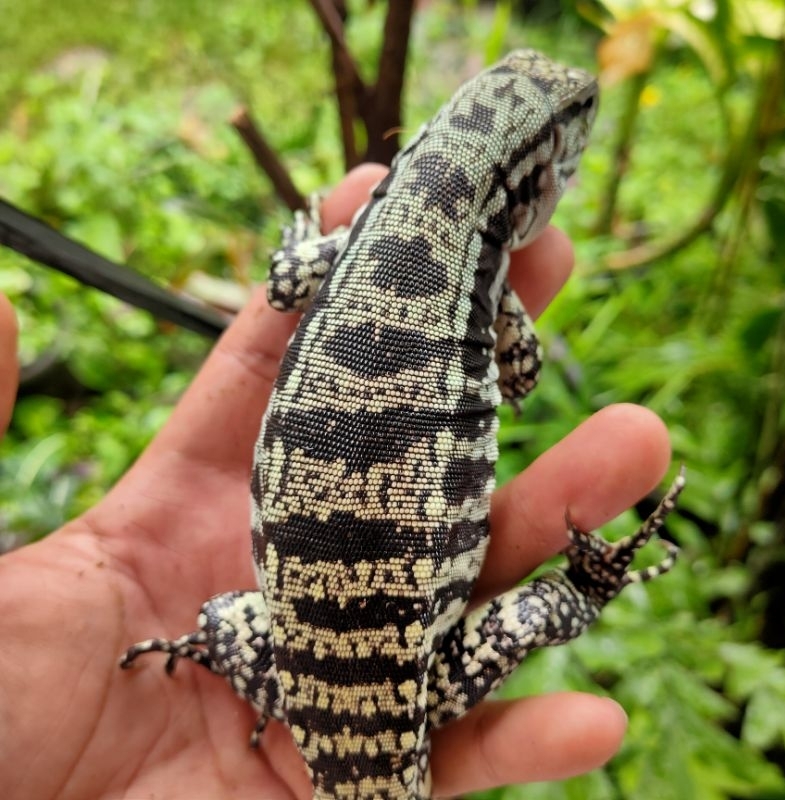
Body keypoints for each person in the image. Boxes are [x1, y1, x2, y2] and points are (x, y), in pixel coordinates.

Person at [0, 165, 672, 799]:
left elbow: (293, 278)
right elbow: (521, 368)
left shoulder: (369, 245)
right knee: (540, 608)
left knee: (222, 619)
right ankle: (585, 590)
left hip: (337, 684)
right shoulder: (463, 263)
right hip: (401, 689)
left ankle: (580, 592)